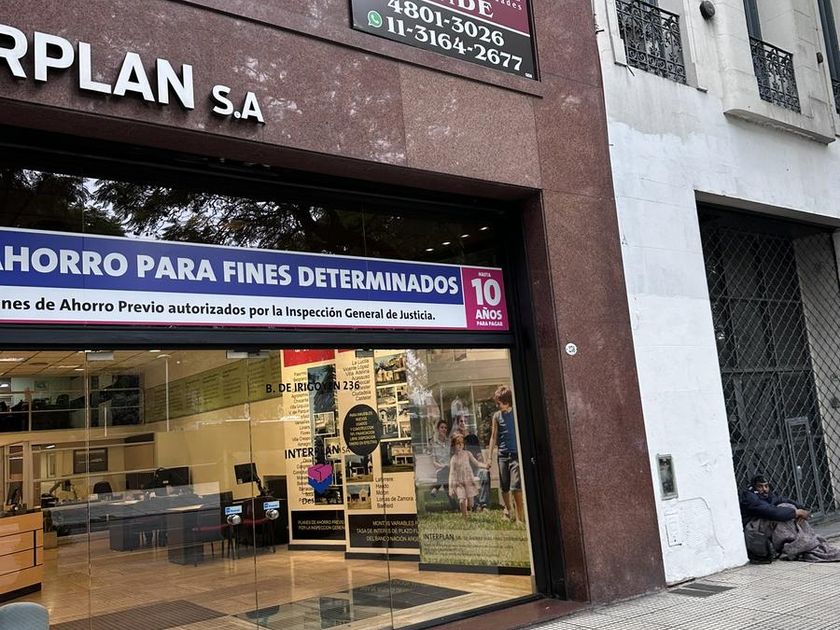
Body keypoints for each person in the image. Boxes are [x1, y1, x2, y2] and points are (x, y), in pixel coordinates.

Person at [740, 474, 840, 563]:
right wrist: (796, 513)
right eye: (760, 487)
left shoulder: (767, 495)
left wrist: (803, 510)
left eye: (766, 486)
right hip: (753, 529)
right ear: (753, 487)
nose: (765, 489)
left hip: (764, 523)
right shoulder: (749, 497)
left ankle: (804, 542)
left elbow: (783, 500)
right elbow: (770, 512)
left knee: (788, 507)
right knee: (780, 517)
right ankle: (792, 547)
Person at [489, 385, 524, 524]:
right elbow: (493, 437)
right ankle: (509, 510)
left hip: (515, 455)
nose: (497, 405)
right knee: (504, 486)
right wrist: (489, 457)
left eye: (499, 403)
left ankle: (520, 518)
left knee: (516, 487)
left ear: (507, 402)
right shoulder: (497, 416)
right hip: (502, 455)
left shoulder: (516, 413)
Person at [448, 434, 489, 519]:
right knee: (462, 500)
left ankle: (469, 508)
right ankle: (465, 516)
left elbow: (476, 463)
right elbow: (451, 474)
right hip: (459, 482)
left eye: (461, 443)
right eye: (457, 443)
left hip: (469, 481)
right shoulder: (453, 459)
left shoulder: (467, 454)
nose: (460, 445)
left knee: (471, 503)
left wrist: (485, 466)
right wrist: (450, 487)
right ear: (454, 445)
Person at [430, 419, 450, 497]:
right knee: (444, 472)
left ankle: (436, 487)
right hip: (440, 470)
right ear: (438, 429)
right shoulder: (434, 445)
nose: (444, 429)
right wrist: (443, 466)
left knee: (446, 473)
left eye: (445, 428)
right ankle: (453, 502)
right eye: (442, 427)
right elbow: (434, 462)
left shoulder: (449, 443)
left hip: (450, 469)